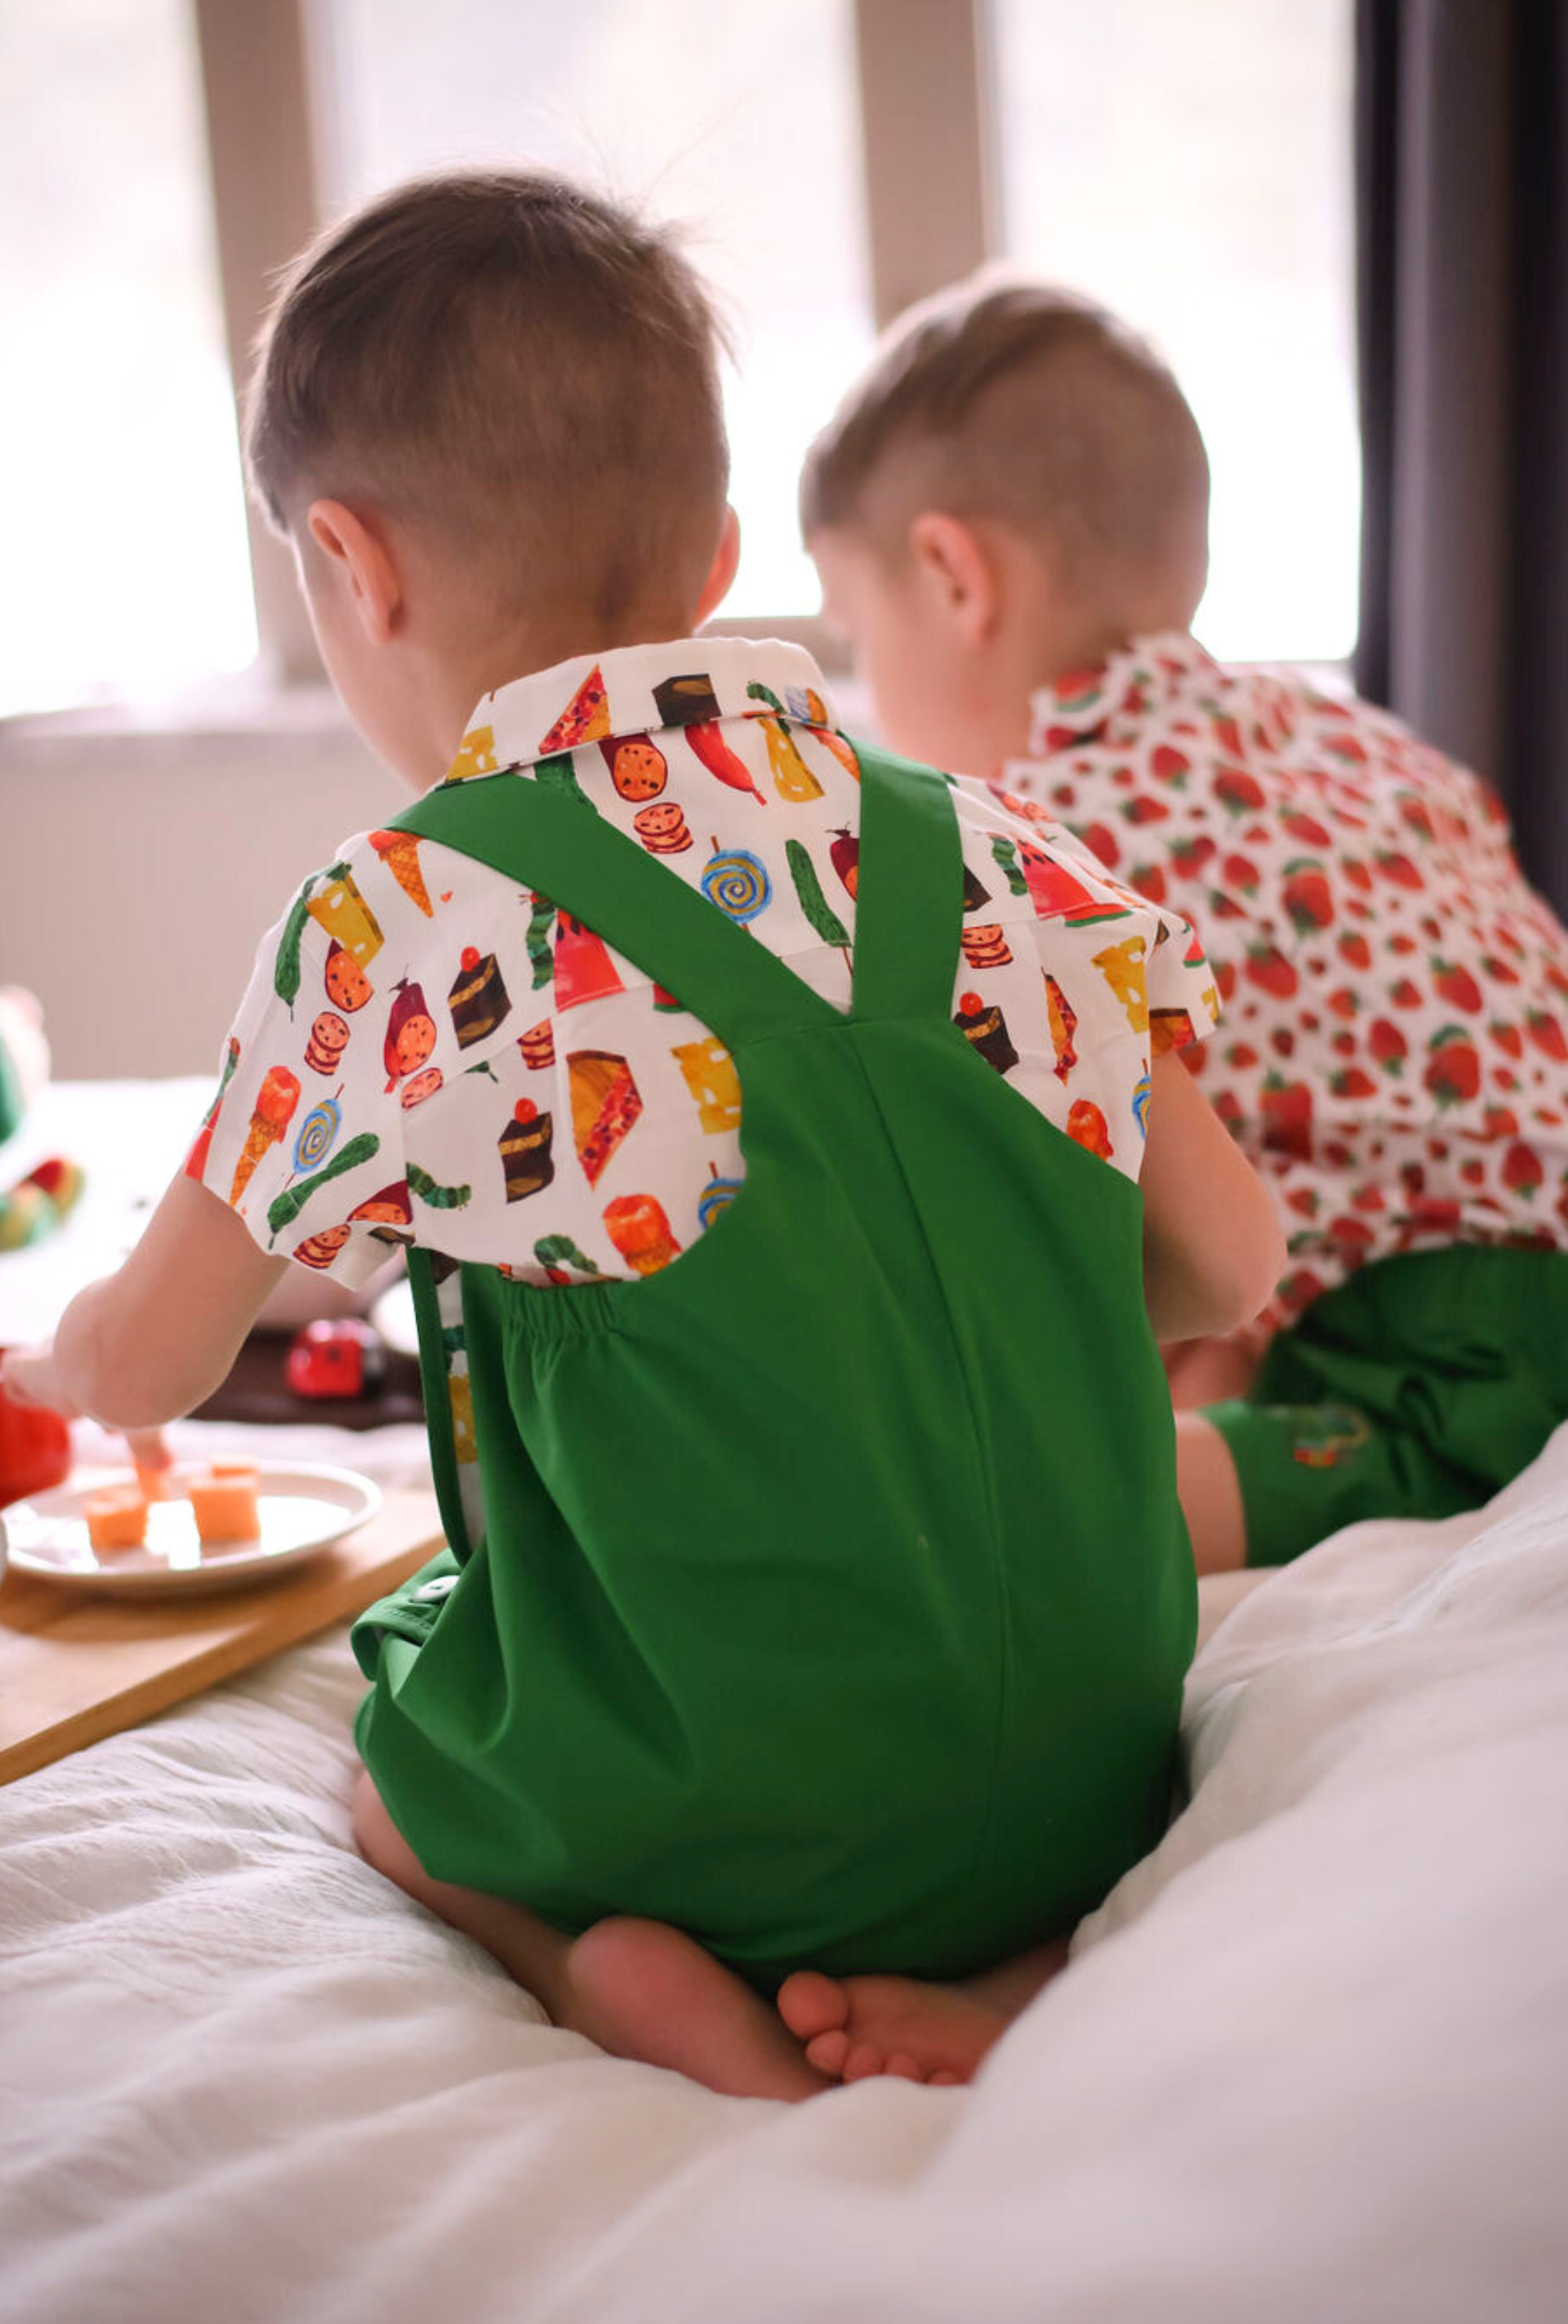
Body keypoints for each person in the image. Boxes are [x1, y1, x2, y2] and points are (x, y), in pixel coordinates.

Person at [0, 178, 1280, 2101]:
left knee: (400, 1742)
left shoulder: (397, 917)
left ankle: (604, 1970)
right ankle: (1021, 1954)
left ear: (351, 564)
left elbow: (158, 1361)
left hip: (736, 1814)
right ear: (719, 559)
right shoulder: (995, 846)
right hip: (1089, 1763)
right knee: (940, 1728)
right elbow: (1233, 1265)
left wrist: (61, 1356)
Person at [802, 271, 1568, 1578]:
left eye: (857, 636)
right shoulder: (1352, 743)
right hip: (1450, 1264)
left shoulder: (1038, 841)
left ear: (952, 576)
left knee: (1025, 1504)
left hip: (1464, 1357)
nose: (866, 689)